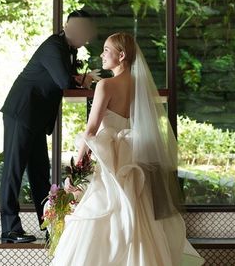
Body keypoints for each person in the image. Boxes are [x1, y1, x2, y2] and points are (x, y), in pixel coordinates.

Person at [51, 32, 204, 265]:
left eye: (106, 50)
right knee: (139, 213)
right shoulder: (140, 87)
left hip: (110, 160)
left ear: (121, 55)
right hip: (132, 160)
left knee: (102, 213)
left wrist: (75, 170)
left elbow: (91, 131)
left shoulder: (105, 85)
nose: (102, 55)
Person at [0, 10, 96, 243]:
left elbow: (67, 79)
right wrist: (83, 79)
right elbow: (64, 81)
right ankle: (10, 230)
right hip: (21, 112)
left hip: (36, 117)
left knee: (40, 173)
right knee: (13, 170)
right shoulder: (54, 46)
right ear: (67, 27)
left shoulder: (69, 50)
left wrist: (81, 79)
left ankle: (51, 227)